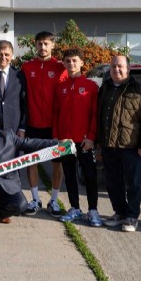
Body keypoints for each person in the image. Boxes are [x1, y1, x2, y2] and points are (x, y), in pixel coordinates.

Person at [97, 55, 141, 232]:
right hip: (109, 146)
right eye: (114, 66)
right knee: (113, 183)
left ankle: (131, 216)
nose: (117, 69)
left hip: (131, 147)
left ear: (128, 69)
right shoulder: (105, 88)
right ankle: (120, 213)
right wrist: (99, 142)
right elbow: (99, 116)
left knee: (133, 184)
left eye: (121, 66)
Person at [52, 49, 101, 226]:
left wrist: (91, 137)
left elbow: (96, 114)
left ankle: (93, 210)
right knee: (70, 176)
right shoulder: (60, 88)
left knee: (90, 176)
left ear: (81, 63)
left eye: (74, 61)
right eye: (67, 61)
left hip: (85, 141)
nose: (71, 64)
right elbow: (56, 114)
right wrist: (58, 137)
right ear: (63, 64)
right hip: (66, 141)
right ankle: (75, 208)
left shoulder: (91, 86)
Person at [21, 31, 65, 217]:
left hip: (54, 125)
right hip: (32, 123)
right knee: (32, 162)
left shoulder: (60, 67)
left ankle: (54, 200)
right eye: (39, 43)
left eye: (46, 43)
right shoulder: (26, 66)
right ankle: (35, 199)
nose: (42, 47)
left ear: (52, 45)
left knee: (57, 163)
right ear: (35, 45)